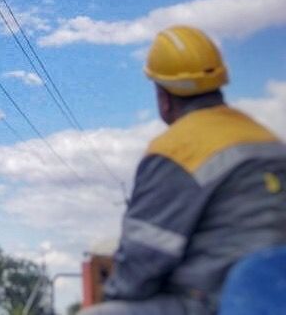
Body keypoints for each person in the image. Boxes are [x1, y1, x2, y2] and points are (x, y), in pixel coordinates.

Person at [84, 26, 286, 314]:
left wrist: (113, 296)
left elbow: (143, 262)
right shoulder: (267, 140)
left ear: (162, 95)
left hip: (214, 301)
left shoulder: (177, 151)